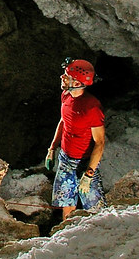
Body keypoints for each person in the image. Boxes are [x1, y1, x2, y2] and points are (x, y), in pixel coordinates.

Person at [44, 58, 105, 220]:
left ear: (77, 83)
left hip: (83, 163)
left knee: (95, 209)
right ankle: (67, 233)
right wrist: (52, 149)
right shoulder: (66, 96)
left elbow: (99, 142)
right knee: (66, 202)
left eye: (67, 76)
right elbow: (64, 121)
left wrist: (89, 174)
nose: (62, 78)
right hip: (65, 160)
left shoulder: (92, 107)